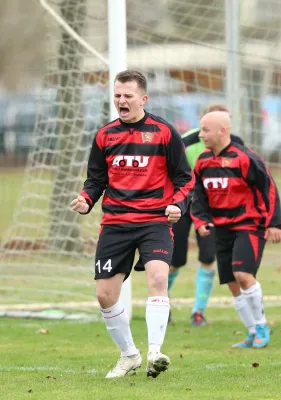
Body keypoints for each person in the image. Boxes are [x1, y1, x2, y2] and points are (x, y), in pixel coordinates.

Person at [70, 70, 194, 378]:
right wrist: (87, 199)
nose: (121, 101)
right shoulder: (104, 135)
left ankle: (154, 352)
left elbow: (185, 178)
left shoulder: (163, 132)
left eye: (127, 96)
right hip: (115, 223)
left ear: (143, 98)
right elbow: (96, 179)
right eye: (117, 96)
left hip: (154, 220)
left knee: (157, 279)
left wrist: (176, 205)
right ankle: (129, 355)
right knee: (104, 295)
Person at [134, 104, 244, 327]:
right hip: (182, 206)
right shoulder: (186, 141)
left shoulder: (237, 145)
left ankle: (198, 312)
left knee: (208, 258)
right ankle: (163, 303)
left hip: (212, 209)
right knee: (176, 259)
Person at [191, 110, 281, 349]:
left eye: (205, 130)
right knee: (232, 283)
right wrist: (200, 221)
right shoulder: (202, 161)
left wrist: (274, 222)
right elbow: (198, 196)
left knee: (243, 275)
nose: (201, 134)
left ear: (223, 131)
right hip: (221, 229)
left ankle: (262, 325)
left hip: (249, 225)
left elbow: (269, 189)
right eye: (201, 129)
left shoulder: (245, 158)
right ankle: (252, 332)